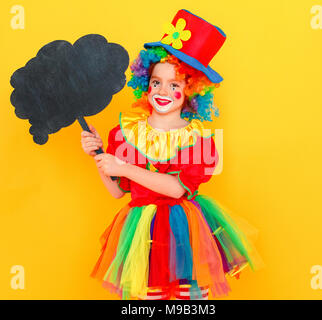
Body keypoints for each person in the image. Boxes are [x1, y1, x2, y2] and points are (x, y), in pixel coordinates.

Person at [81, 9, 262, 300]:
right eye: (156, 82)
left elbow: (176, 188)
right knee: (146, 299)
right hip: (141, 234)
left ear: (191, 90)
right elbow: (117, 192)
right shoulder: (124, 133)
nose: (162, 90)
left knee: (187, 298)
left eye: (174, 84)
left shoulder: (198, 139)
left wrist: (124, 167)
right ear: (146, 82)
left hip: (184, 234)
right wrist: (99, 158)